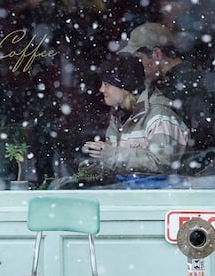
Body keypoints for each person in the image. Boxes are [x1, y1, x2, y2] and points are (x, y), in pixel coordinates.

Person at [118, 22, 215, 175]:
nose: (136, 65)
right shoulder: (182, 79)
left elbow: (200, 135)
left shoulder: (184, 84)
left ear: (157, 54)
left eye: (139, 59)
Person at [80, 53, 189, 188]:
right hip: (129, 194)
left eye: (107, 84)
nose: (101, 89)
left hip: (156, 200)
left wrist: (112, 155)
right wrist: (96, 168)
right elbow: (122, 166)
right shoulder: (118, 116)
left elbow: (161, 163)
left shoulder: (159, 116)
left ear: (125, 87)